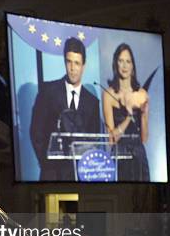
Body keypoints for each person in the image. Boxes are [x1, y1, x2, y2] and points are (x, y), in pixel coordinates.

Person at [30, 37, 101, 181]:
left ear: (83, 66)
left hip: (82, 176)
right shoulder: (48, 91)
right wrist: (46, 162)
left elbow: (95, 139)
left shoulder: (92, 102)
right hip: (52, 174)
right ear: (64, 62)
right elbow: (36, 131)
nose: (73, 68)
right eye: (69, 62)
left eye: (77, 63)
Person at [102, 43, 150, 181]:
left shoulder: (142, 94)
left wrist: (144, 114)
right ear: (115, 63)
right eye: (121, 61)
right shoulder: (108, 94)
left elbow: (144, 138)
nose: (124, 66)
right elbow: (111, 140)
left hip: (139, 158)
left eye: (128, 61)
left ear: (133, 65)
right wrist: (129, 116)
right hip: (119, 157)